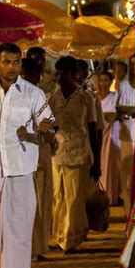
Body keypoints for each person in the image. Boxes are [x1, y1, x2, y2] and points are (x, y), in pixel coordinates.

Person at [0, 43, 53, 268]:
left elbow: (49, 135)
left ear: (21, 64)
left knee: (19, 229)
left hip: (21, 171)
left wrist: (35, 134)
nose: (12, 67)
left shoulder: (34, 94)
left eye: (16, 62)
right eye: (7, 62)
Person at [50, 56, 100, 253]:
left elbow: (93, 129)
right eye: (58, 73)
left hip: (79, 153)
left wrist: (97, 162)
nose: (59, 77)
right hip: (57, 153)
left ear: (72, 74)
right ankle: (61, 235)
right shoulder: (53, 98)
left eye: (63, 73)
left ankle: (69, 239)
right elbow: (50, 128)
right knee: (57, 197)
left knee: (74, 198)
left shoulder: (86, 98)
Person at [21, 56, 55, 262]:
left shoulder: (41, 96)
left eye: (29, 74)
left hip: (39, 155)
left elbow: (51, 132)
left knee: (41, 202)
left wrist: (45, 132)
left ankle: (38, 246)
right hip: (17, 158)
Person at [116, 53, 135, 216]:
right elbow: (119, 108)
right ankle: (128, 209)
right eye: (133, 64)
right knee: (126, 170)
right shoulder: (123, 85)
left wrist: (133, 110)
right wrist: (133, 110)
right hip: (126, 129)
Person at [97, 70, 121, 205]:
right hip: (98, 135)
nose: (103, 83)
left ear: (111, 82)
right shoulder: (94, 97)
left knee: (109, 164)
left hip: (111, 135)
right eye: (101, 80)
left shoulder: (114, 97)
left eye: (106, 80)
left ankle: (111, 195)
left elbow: (117, 114)